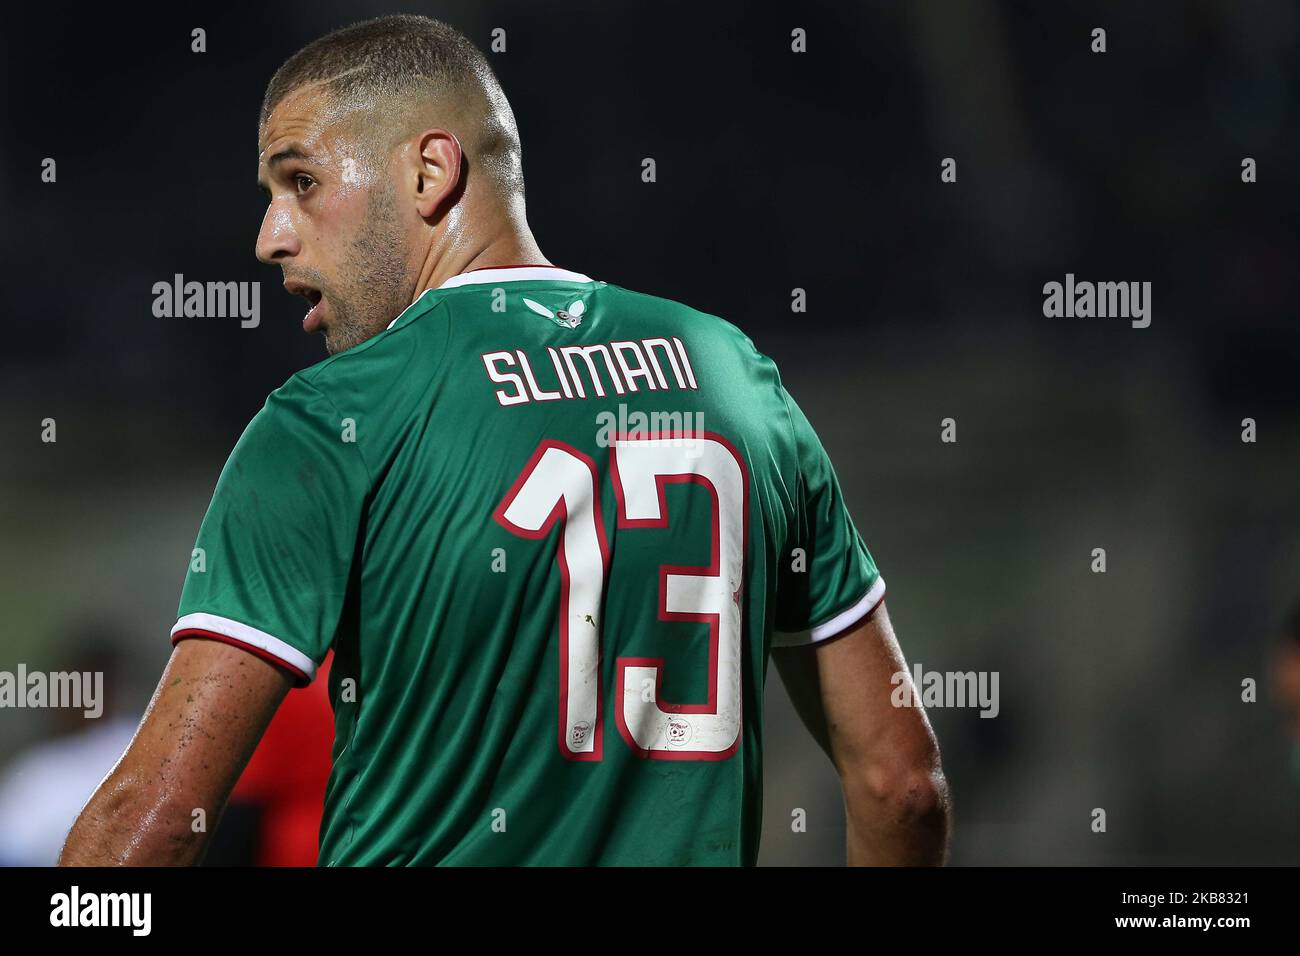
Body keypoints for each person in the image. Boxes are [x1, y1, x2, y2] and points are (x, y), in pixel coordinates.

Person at [59, 14, 949, 866]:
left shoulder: (331, 419)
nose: (268, 238)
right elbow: (902, 785)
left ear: (430, 171)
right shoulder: (738, 378)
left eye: (300, 182)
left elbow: (159, 819)